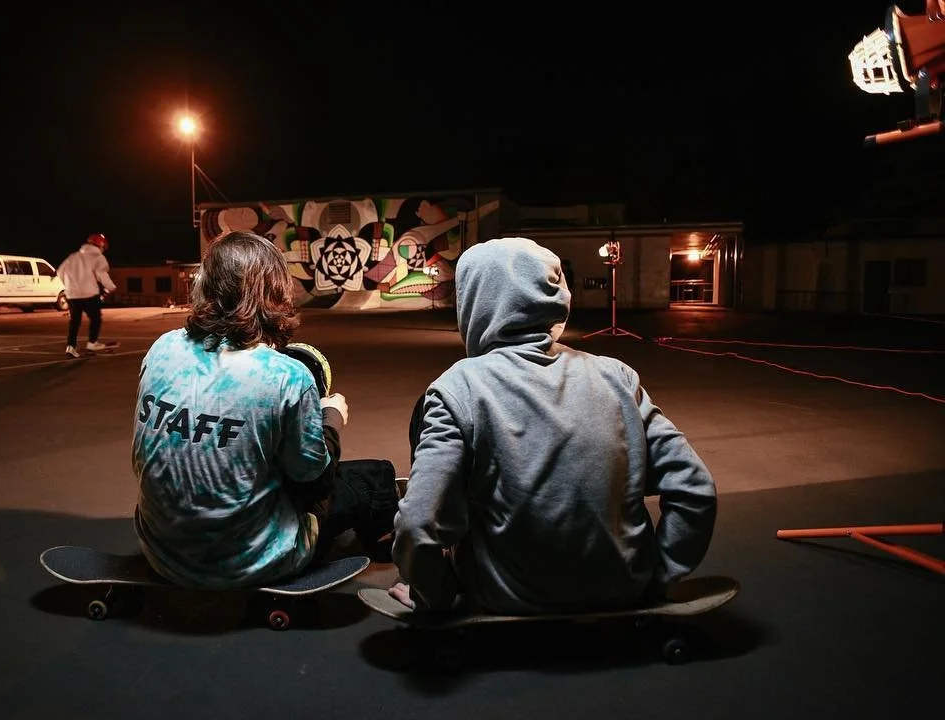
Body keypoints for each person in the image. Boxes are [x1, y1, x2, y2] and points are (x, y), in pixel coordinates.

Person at [389, 236, 717, 614]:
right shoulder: (619, 377)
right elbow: (695, 489)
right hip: (623, 588)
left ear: (473, 301)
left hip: (504, 598)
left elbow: (416, 526)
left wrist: (434, 594)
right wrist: (658, 575)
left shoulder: (457, 388)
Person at [131, 230, 399, 589]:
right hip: (251, 564)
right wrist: (330, 418)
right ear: (275, 290)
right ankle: (389, 547)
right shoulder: (285, 375)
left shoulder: (162, 349)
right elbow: (314, 482)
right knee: (374, 477)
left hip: (162, 552)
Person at [56, 232, 117, 358]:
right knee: (95, 318)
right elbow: (102, 274)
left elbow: (60, 272)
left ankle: (71, 347)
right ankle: (92, 342)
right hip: (90, 293)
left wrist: (70, 286)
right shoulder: (98, 257)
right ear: (101, 246)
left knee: (74, 321)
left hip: (72, 294)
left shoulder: (73, 257)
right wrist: (110, 287)